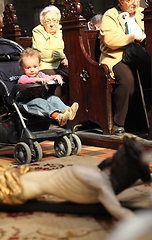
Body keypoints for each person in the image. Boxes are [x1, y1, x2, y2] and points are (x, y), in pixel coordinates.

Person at [0, 136, 151, 221]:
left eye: (120, 153)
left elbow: (118, 211)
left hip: (20, 187)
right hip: (24, 178)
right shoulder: (103, 179)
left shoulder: (102, 187)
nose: (116, 152)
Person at [99, 0, 151, 135]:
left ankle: (145, 118)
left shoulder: (142, 13)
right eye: (129, 0)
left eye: (136, 0)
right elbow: (110, 40)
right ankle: (119, 122)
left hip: (141, 54)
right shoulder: (110, 15)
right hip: (116, 56)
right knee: (128, 79)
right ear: (120, 1)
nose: (134, 3)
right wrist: (133, 37)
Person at [17, 47, 78, 127]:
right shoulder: (24, 77)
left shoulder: (41, 75)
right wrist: (36, 80)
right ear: (22, 68)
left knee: (53, 98)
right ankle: (57, 117)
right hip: (27, 102)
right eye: (28, 68)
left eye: (35, 67)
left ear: (39, 66)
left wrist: (57, 77)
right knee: (40, 101)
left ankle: (67, 111)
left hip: (42, 97)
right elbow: (23, 81)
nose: (32, 70)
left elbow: (50, 77)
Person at [32, 5, 68, 103]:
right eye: (48, 21)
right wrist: (61, 56)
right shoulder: (38, 31)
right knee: (55, 81)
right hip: (45, 65)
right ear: (42, 22)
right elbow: (41, 53)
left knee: (76, 76)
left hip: (62, 64)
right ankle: (57, 112)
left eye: (54, 21)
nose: (52, 24)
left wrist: (66, 58)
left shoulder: (63, 30)